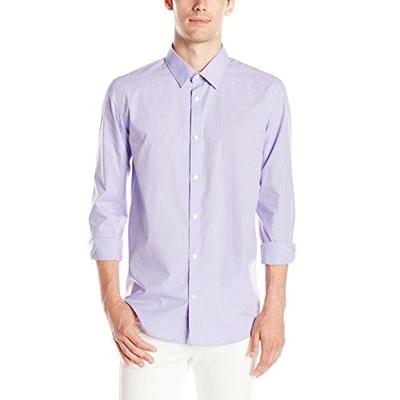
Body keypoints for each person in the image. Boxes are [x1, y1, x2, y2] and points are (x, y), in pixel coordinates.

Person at [88, 1, 296, 399]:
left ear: (229, 3)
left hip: (234, 325)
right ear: (168, 0)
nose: (200, 4)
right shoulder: (127, 93)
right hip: (147, 326)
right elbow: (107, 205)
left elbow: (277, 207)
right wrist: (112, 304)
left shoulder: (266, 94)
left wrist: (276, 307)